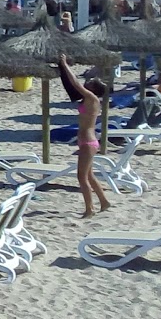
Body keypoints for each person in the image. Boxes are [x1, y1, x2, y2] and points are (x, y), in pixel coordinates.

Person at [58, 55, 111, 217]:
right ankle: (104, 202)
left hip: (88, 141)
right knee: (89, 175)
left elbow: (75, 83)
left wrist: (65, 64)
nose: (86, 83)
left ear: (93, 89)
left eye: (90, 83)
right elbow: (73, 86)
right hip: (86, 141)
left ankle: (90, 209)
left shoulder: (92, 99)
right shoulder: (89, 99)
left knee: (81, 177)